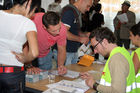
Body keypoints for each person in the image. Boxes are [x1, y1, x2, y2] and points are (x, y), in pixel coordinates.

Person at [80, 27, 136, 93]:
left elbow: (118, 91)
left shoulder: (117, 59)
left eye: (95, 47)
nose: (95, 51)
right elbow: (112, 75)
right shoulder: (120, 52)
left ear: (104, 42)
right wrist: (92, 75)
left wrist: (94, 85)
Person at [0, 0, 40, 93]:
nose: (33, 15)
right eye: (34, 10)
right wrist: (25, 59)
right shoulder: (27, 23)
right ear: (28, 3)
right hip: (11, 74)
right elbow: (34, 53)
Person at [55, 0, 92, 66]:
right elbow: (63, 32)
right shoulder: (69, 11)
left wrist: (84, 34)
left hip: (72, 51)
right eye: (88, 6)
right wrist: (80, 39)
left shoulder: (77, 12)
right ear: (82, 1)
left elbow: (75, 30)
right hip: (65, 51)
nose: (88, 9)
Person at [129, 23, 140, 92]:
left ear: (138, 37)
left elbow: (132, 73)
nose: (129, 37)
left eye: (131, 35)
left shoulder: (138, 53)